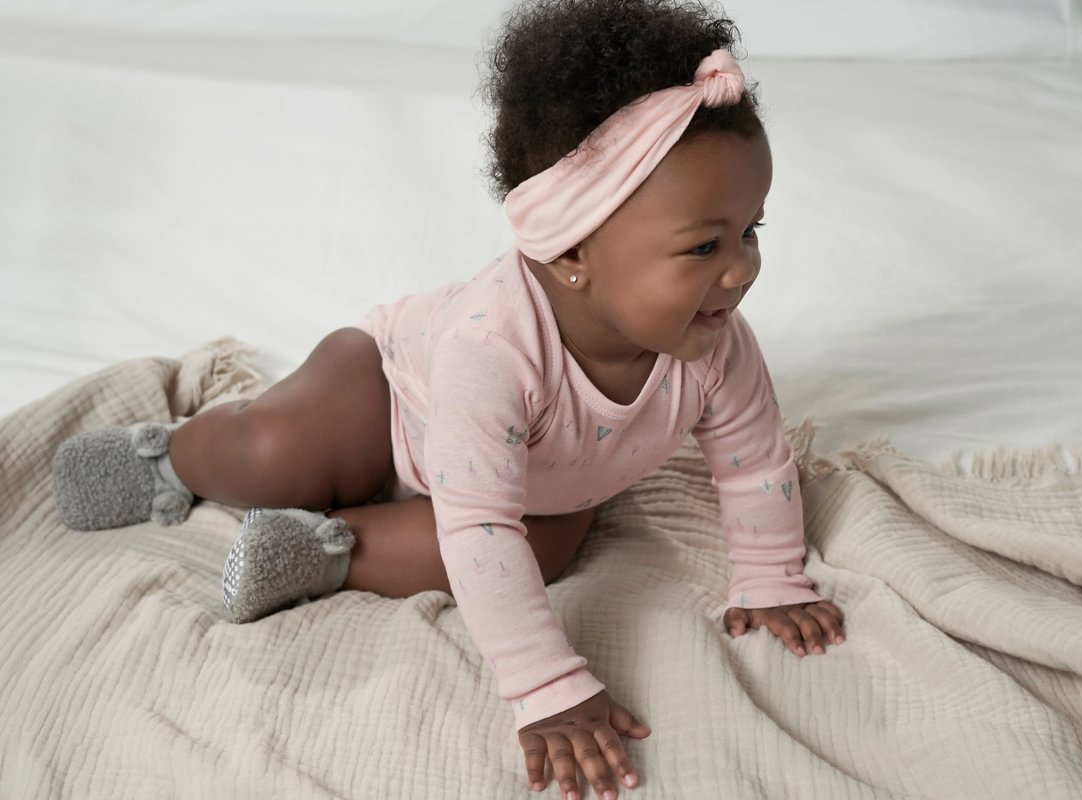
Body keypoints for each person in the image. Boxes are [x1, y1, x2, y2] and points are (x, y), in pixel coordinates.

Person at [51, 1, 847, 797]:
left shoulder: (712, 343)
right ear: (571, 252)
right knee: (276, 453)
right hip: (387, 402)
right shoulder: (491, 349)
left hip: (534, 486)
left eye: (752, 231)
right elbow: (476, 521)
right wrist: (546, 685)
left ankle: (328, 549)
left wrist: (771, 574)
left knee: (540, 553)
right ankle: (173, 453)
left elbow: (754, 464)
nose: (741, 269)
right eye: (705, 246)